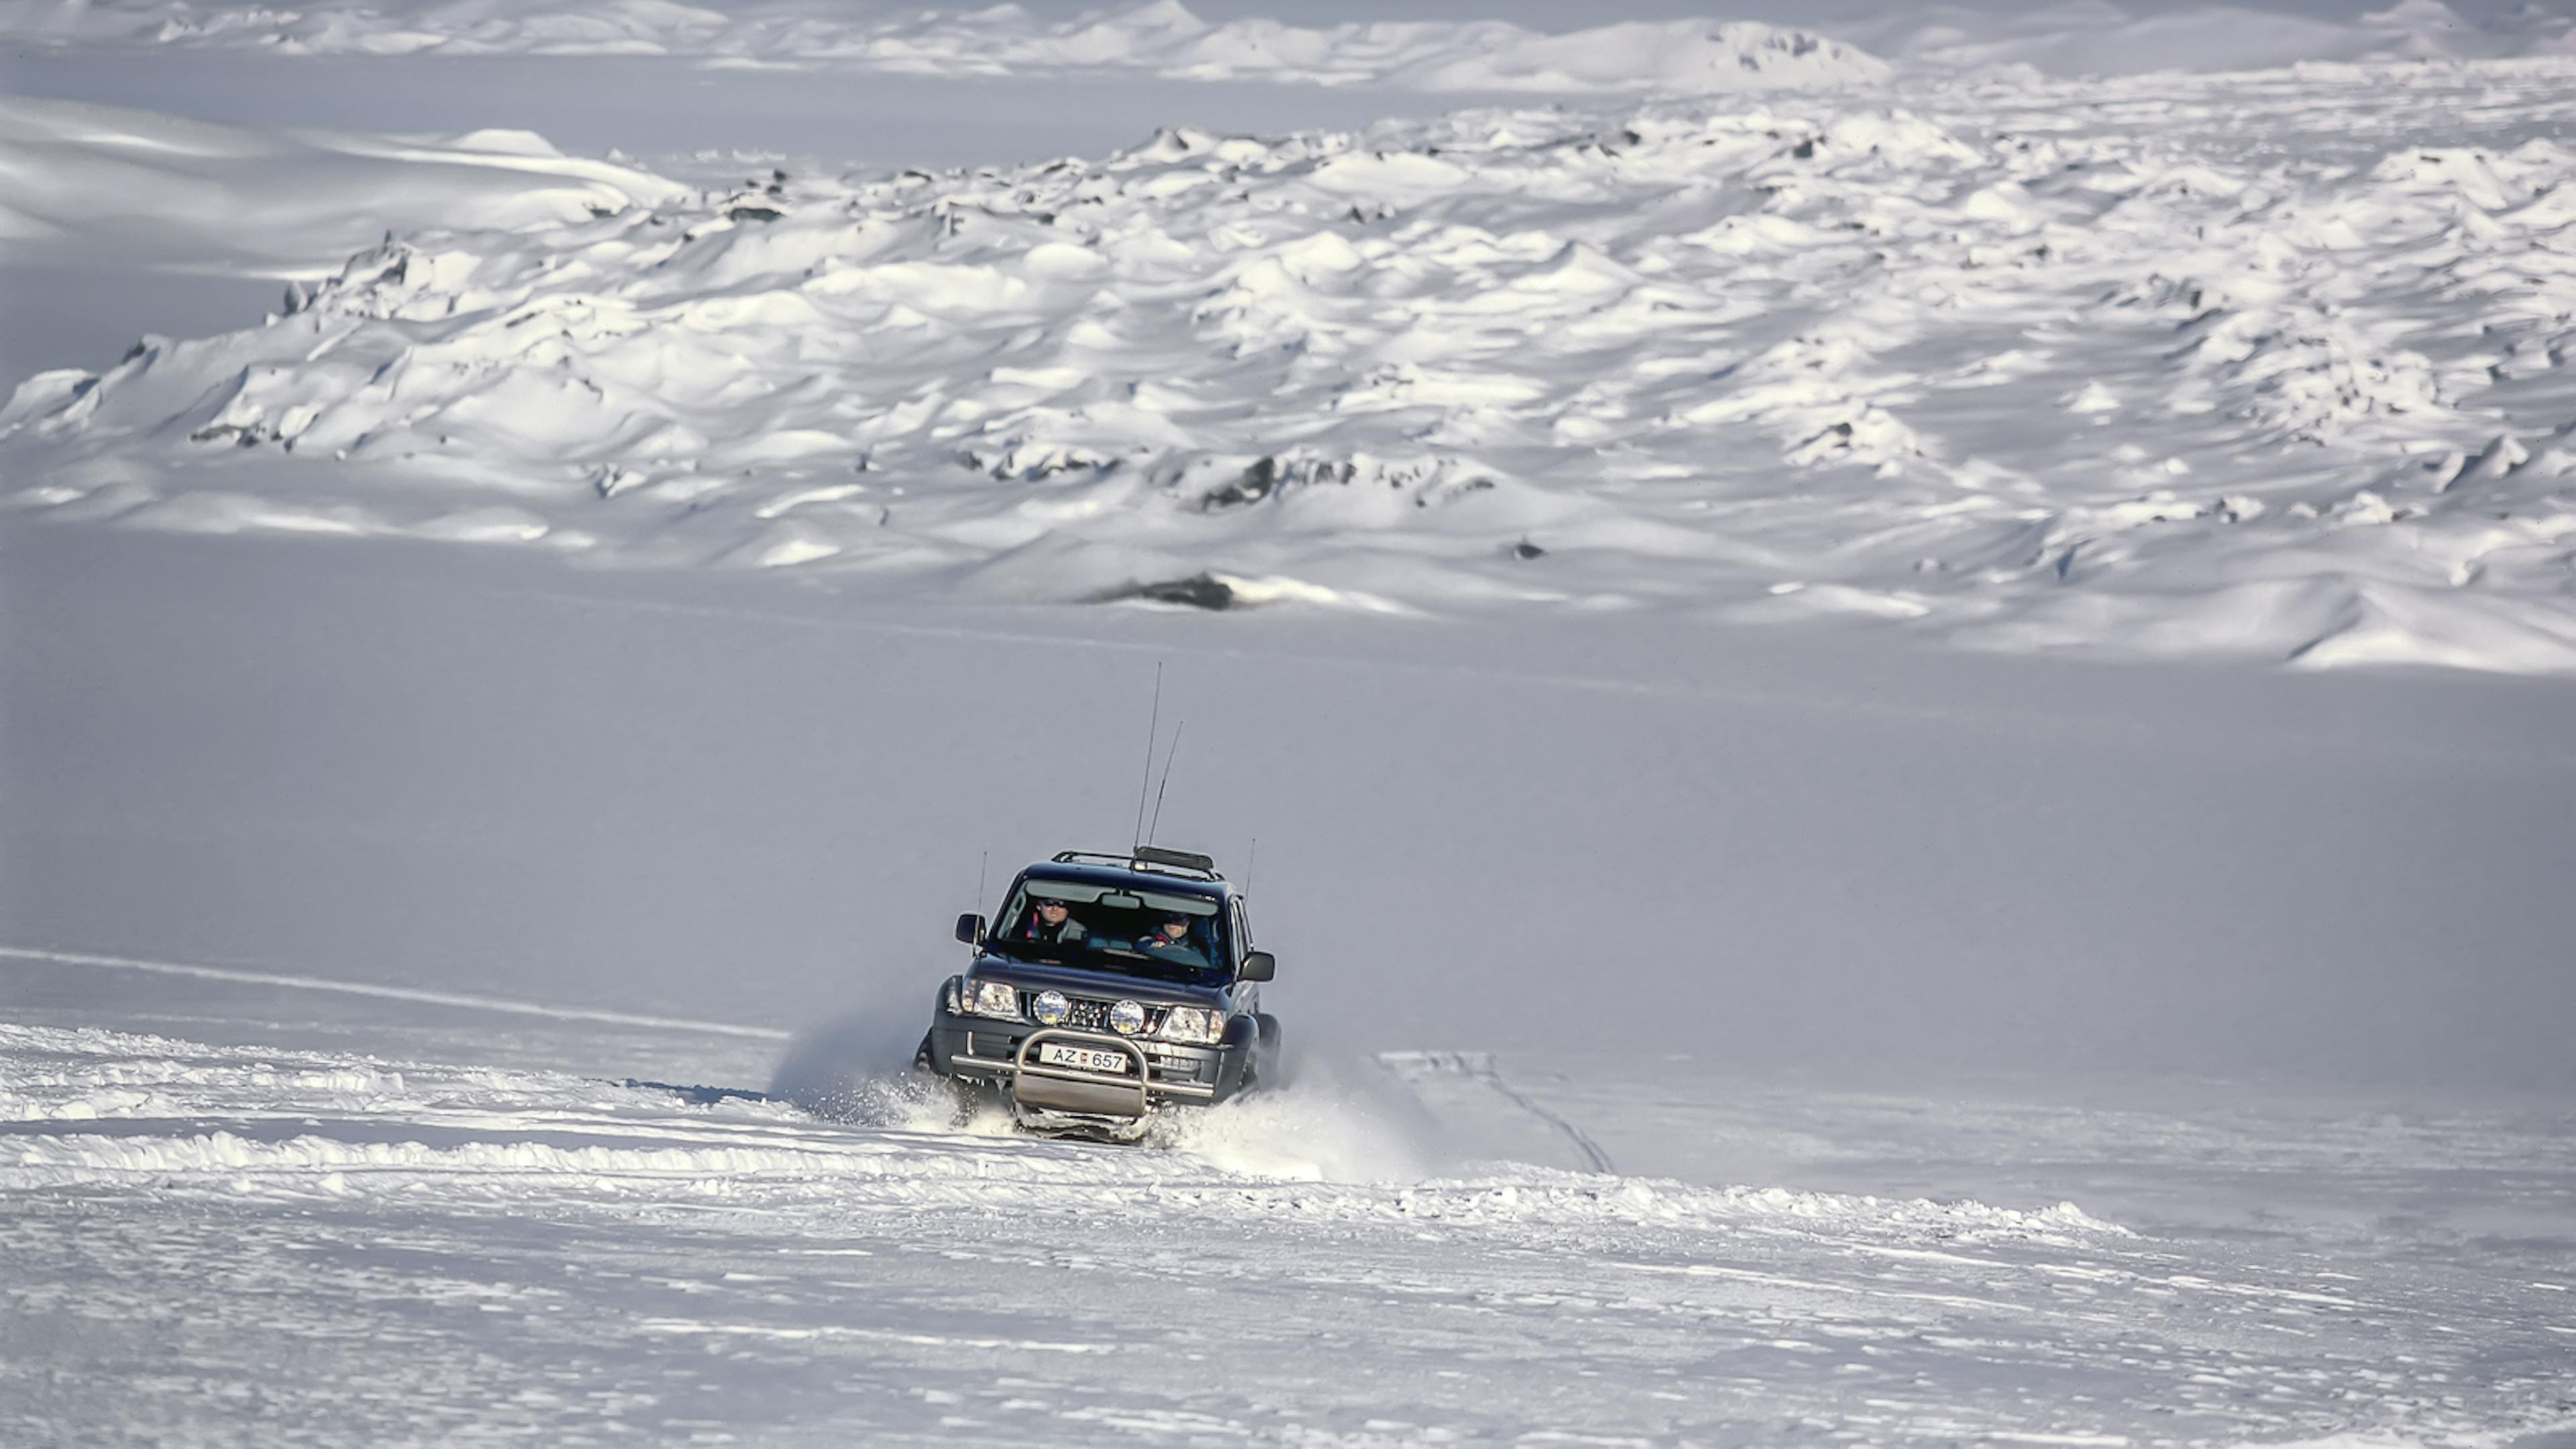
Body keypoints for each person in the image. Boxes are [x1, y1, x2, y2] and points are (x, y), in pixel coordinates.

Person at [1136, 912, 1208, 967]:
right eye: (1168, 919)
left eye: (1179, 919)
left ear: (1188, 922)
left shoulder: (1198, 948)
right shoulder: (1148, 941)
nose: (1173, 923)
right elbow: (1138, 950)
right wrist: (1152, 948)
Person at [1013, 896, 1087, 945]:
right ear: (1039, 906)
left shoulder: (1077, 931)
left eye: (1062, 904)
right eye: (1049, 903)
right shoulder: (1024, 927)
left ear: (1067, 909)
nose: (1055, 908)